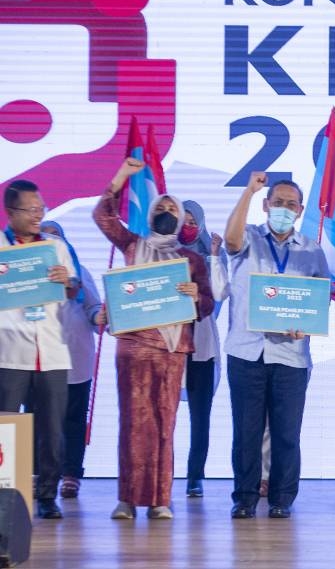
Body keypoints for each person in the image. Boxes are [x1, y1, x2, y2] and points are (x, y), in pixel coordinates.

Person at [93, 159, 215, 520]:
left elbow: (206, 304)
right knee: (132, 422)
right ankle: (127, 500)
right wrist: (121, 177)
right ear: (149, 214)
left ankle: (161, 498)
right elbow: (102, 218)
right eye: (160, 207)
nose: (165, 211)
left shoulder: (191, 260)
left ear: (181, 220)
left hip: (172, 348)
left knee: (165, 421)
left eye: (171, 209)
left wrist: (195, 294)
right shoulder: (132, 244)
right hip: (133, 345)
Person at [224, 172, 330, 519]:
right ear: (266, 205)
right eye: (277, 203)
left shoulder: (311, 251)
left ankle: (282, 498)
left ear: (299, 211)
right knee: (246, 430)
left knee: (287, 432)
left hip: (291, 355)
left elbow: (320, 299)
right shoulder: (249, 237)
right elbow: (229, 239)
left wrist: (308, 325)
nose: (283, 209)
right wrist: (248, 192)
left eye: (291, 205)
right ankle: (244, 497)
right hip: (246, 350)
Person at [1, 180, 78, 519]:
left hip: (51, 349)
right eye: (30, 210)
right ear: (11, 212)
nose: (37, 216)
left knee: (52, 429)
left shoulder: (56, 246)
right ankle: (6, 495)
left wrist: (66, 280)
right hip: (9, 350)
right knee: (6, 428)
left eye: (40, 209)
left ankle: (47, 495)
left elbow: (75, 289)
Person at [38, 222, 103, 501]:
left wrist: (99, 316)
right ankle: (40, 475)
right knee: (41, 421)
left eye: (56, 238)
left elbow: (93, 306)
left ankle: (71, 475)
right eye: (46, 238)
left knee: (74, 420)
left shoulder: (79, 271)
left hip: (76, 357)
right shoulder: (27, 276)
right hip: (38, 357)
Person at [178, 200, 230, 498]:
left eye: (191, 221)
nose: (187, 226)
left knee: (200, 418)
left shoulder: (215, 254)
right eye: (181, 220)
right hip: (169, 347)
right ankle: (160, 475)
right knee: (163, 416)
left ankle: (195, 476)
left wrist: (211, 257)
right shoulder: (162, 253)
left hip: (201, 346)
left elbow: (218, 296)